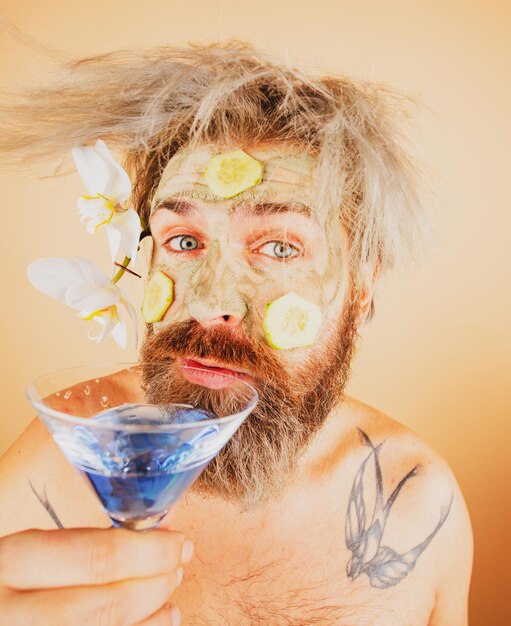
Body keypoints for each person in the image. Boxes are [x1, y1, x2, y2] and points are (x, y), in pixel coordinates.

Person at [0, 39, 473, 625]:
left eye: (279, 246)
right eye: (184, 241)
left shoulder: (418, 502)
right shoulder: (47, 471)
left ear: (363, 283)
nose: (210, 303)